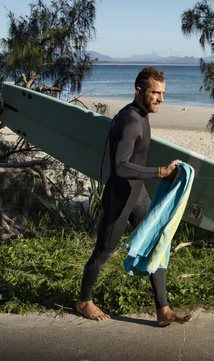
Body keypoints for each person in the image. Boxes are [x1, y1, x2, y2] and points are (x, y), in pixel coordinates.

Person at [76, 67, 192, 326]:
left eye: (163, 93)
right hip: (120, 199)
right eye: (155, 93)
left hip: (138, 195)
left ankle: (163, 309)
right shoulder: (129, 121)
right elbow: (120, 166)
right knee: (104, 252)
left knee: (156, 245)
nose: (161, 99)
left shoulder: (142, 114)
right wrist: (160, 172)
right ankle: (84, 301)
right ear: (139, 91)